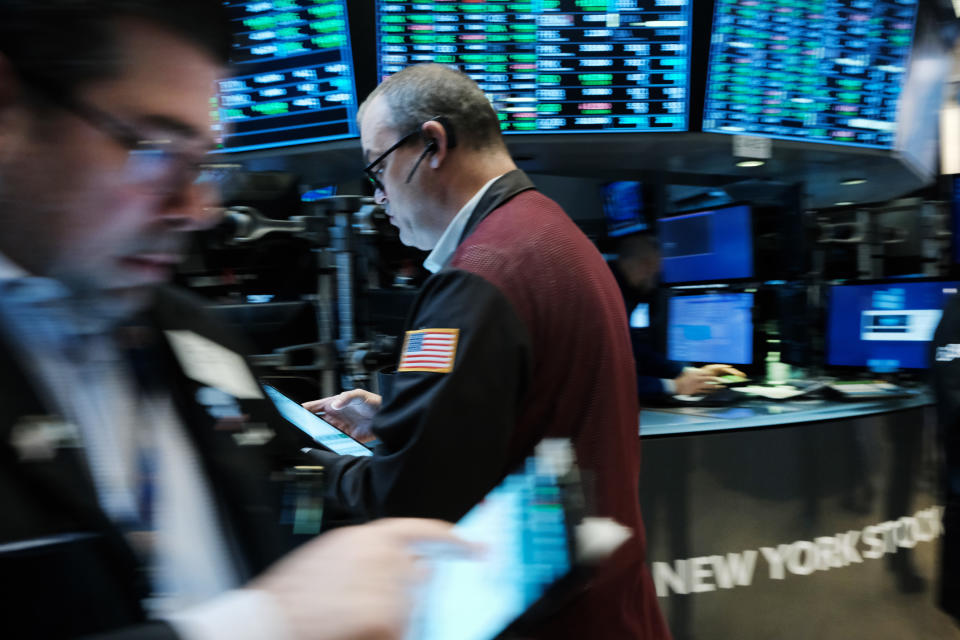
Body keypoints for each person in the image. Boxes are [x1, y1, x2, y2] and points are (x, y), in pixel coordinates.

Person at [0, 2, 466, 639]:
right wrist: (267, 623)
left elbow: (288, 515)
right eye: (151, 149)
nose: (194, 210)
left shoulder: (199, 341)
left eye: (199, 165)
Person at [302, 64, 670, 639]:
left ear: (432, 144)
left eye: (377, 165)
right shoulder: (554, 234)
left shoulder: (476, 278)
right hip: (601, 607)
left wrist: (313, 466)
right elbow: (521, 415)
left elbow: (413, 498)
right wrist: (401, 420)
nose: (377, 195)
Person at [609, 233, 745, 398]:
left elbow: (633, 349)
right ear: (642, 264)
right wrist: (675, 386)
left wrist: (690, 373)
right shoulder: (608, 296)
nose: (655, 278)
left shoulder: (620, 289)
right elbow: (609, 380)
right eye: (654, 270)